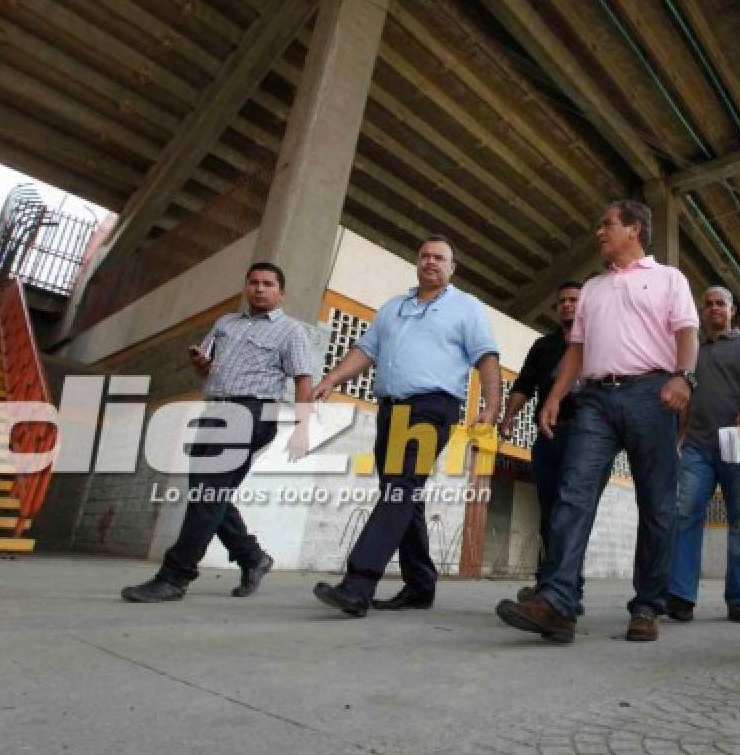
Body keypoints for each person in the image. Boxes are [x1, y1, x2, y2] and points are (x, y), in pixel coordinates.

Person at [495, 199, 699, 644]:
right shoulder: (592, 288)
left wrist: (683, 377)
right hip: (594, 401)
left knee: (658, 505)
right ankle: (558, 603)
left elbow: (686, 331)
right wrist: (553, 397)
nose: (599, 232)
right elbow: (576, 349)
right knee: (573, 493)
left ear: (634, 229)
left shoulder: (668, 278)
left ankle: (647, 606)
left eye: (607, 224)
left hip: (652, 394)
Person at [310, 236, 500, 618]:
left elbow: (486, 356)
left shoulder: (466, 308)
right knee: (401, 494)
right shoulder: (392, 308)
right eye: (425, 255)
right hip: (392, 409)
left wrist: (491, 405)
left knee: (400, 489)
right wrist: (332, 379)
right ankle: (419, 585)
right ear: (417, 263)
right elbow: (366, 350)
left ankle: (358, 584)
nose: (431, 262)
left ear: (452, 267)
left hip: (433, 407)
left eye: (439, 258)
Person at [121, 262, 314, 602]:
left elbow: (302, 379)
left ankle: (175, 577)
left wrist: (302, 426)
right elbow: (206, 366)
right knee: (208, 495)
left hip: (252, 413)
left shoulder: (292, 331)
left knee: (207, 494)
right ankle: (252, 557)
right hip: (215, 410)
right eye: (253, 282)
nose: (259, 288)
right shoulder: (225, 323)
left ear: (281, 293)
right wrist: (201, 363)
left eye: (268, 284)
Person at [665, 286, 740, 624]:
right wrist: (677, 438)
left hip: (737, 441)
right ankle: (681, 596)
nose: (713, 309)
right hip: (698, 445)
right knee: (685, 515)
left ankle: (739, 599)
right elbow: (686, 396)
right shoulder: (693, 349)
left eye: (720, 303)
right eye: (707, 304)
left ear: (732, 309)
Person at [499, 280, 585, 614]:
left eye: (574, 300)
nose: (567, 305)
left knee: (570, 511)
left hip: (585, 438)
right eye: (562, 300)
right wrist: (508, 417)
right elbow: (524, 385)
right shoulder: (544, 346)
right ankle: (548, 583)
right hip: (548, 435)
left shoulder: (596, 343)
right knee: (549, 511)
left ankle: (566, 589)